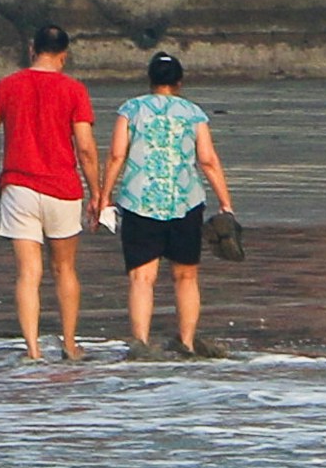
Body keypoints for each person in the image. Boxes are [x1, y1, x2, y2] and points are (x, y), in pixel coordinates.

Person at [0, 23, 99, 365]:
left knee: (28, 273)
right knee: (64, 268)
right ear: (64, 56)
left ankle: (33, 351)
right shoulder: (74, 90)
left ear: (32, 49)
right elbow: (85, 149)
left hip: (18, 188)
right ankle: (69, 345)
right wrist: (97, 192)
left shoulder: (7, 86)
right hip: (63, 188)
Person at [99, 49, 233, 355]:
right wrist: (225, 202)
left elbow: (117, 155)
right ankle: (186, 341)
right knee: (185, 275)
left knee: (142, 277)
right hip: (185, 201)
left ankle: (141, 343)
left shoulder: (131, 110)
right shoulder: (193, 113)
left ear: (150, 80)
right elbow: (208, 160)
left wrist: (104, 195)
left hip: (139, 201)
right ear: (179, 82)